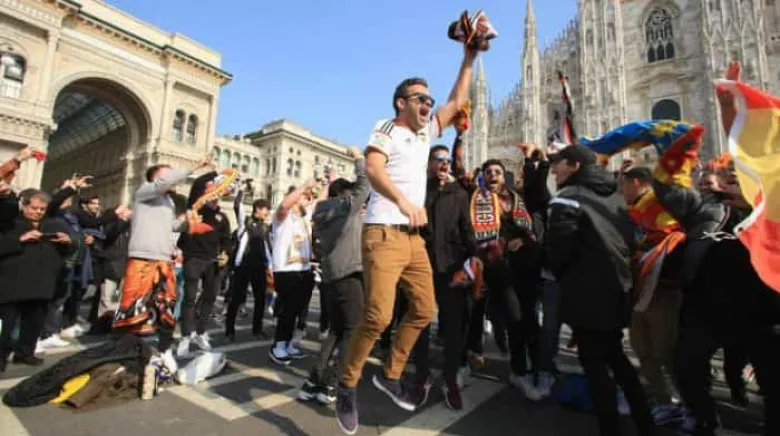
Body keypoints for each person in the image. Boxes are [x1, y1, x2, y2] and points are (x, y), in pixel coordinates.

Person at [335, 44, 478, 435]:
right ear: (402, 103)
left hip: (414, 240)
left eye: (429, 99)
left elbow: (456, 102)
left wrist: (469, 57)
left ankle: (391, 373)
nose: (428, 104)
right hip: (384, 231)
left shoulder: (425, 134)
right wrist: (402, 201)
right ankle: (346, 384)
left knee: (424, 309)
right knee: (379, 316)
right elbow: (373, 168)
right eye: (420, 99)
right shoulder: (388, 129)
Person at [546, 145, 654, 436]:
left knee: (595, 367)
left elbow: (559, 251)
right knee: (617, 359)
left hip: (587, 295)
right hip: (617, 290)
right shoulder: (614, 196)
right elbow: (630, 241)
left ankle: (610, 428)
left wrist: (562, 274)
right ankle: (645, 424)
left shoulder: (568, 199)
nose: (554, 169)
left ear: (575, 166)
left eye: (558, 163)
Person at [113, 154, 213, 369]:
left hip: (163, 260)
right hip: (142, 259)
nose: (171, 177)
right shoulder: (144, 192)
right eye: (166, 174)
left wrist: (189, 224)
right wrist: (195, 165)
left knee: (166, 306)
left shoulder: (168, 201)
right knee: (131, 307)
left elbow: (172, 227)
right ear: (155, 178)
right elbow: (165, 183)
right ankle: (122, 354)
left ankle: (165, 350)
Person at [298, 147, 370, 405]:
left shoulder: (321, 211)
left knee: (335, 331)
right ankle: (331, 381)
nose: (353, 196)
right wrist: (359, 158)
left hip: (330, 277)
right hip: (348, 274)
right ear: (341, 194)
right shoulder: (343, 208)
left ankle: (313, 381)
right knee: (353, 329)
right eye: (348, 192)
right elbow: (365, 185)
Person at [408, 144, 476, 410]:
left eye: (447, 160)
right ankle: (421, 375)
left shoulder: (458, 193)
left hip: (452, 267)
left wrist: (472, 263)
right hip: (422, 263)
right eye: (439, 159)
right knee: (420, 322)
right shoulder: (418, 190)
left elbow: (467, 229)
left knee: (454, 327)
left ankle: (450, 380)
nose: (444, 164)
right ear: (428, 163)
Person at [0, 190, 73, 371]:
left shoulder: (52, 224)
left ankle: (25, 353)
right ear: (24, 206)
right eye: (34, 208)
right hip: (12, 283)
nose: (38, 212)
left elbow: (67, 252)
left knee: (34, 322)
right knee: (6, 325)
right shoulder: (10, 223)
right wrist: (21, 239)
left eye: (42, 209)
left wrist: (68, 242)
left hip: (42, 283)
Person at [177, 170, 232, 354]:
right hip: (193, 258)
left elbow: (227, 240)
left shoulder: (222, 217)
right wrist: (217, 171)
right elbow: (198, 183)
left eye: (218, 196)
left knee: (209, 298)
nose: (216, 199)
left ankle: (200, 332)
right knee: (189, 298)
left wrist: (226, 253)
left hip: (213, 262)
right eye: (212, 194)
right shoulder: (195, 208)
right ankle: (185, 335)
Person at [268, 181, 318, 365]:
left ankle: (288, 343)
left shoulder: (304, 218)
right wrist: (303, 186)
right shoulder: (283, 217)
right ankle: (278, 346)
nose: (308, 199)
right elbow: (284, 205)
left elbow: (320, 200)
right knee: (287, 311)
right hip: (285, 270)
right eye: (305, 196)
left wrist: (330, 181)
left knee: (297, 310)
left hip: (303, 269)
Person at [225, 187, 272, 341]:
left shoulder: (265, 227)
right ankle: (229, 332)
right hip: (243, 267)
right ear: (257, 209)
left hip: (260, 268)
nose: (267, 213)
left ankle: (257, 330)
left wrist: (270, 266)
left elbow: (267, 249)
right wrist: (241, 190)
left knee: (260, 300)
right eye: (265, 210)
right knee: (236, 299)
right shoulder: (245, 222)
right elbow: (237, 205)